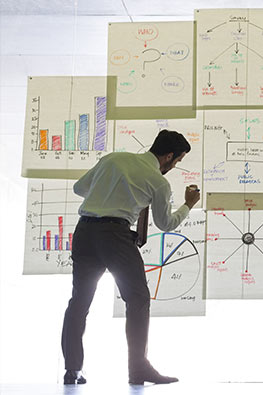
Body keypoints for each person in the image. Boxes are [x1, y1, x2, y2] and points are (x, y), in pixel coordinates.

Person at [61, 129, 200, 385]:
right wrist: (188, 204)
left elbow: (80, 188)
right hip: (115, 235)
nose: (175, 166)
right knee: (137, 299)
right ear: (169, 156)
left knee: (79, 301)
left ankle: (72, 370)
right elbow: (166, 223)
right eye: (177, 161)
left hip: (84, 232)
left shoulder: (113, 159)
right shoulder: (157, 181)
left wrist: (109, 193)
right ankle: (138, 371)